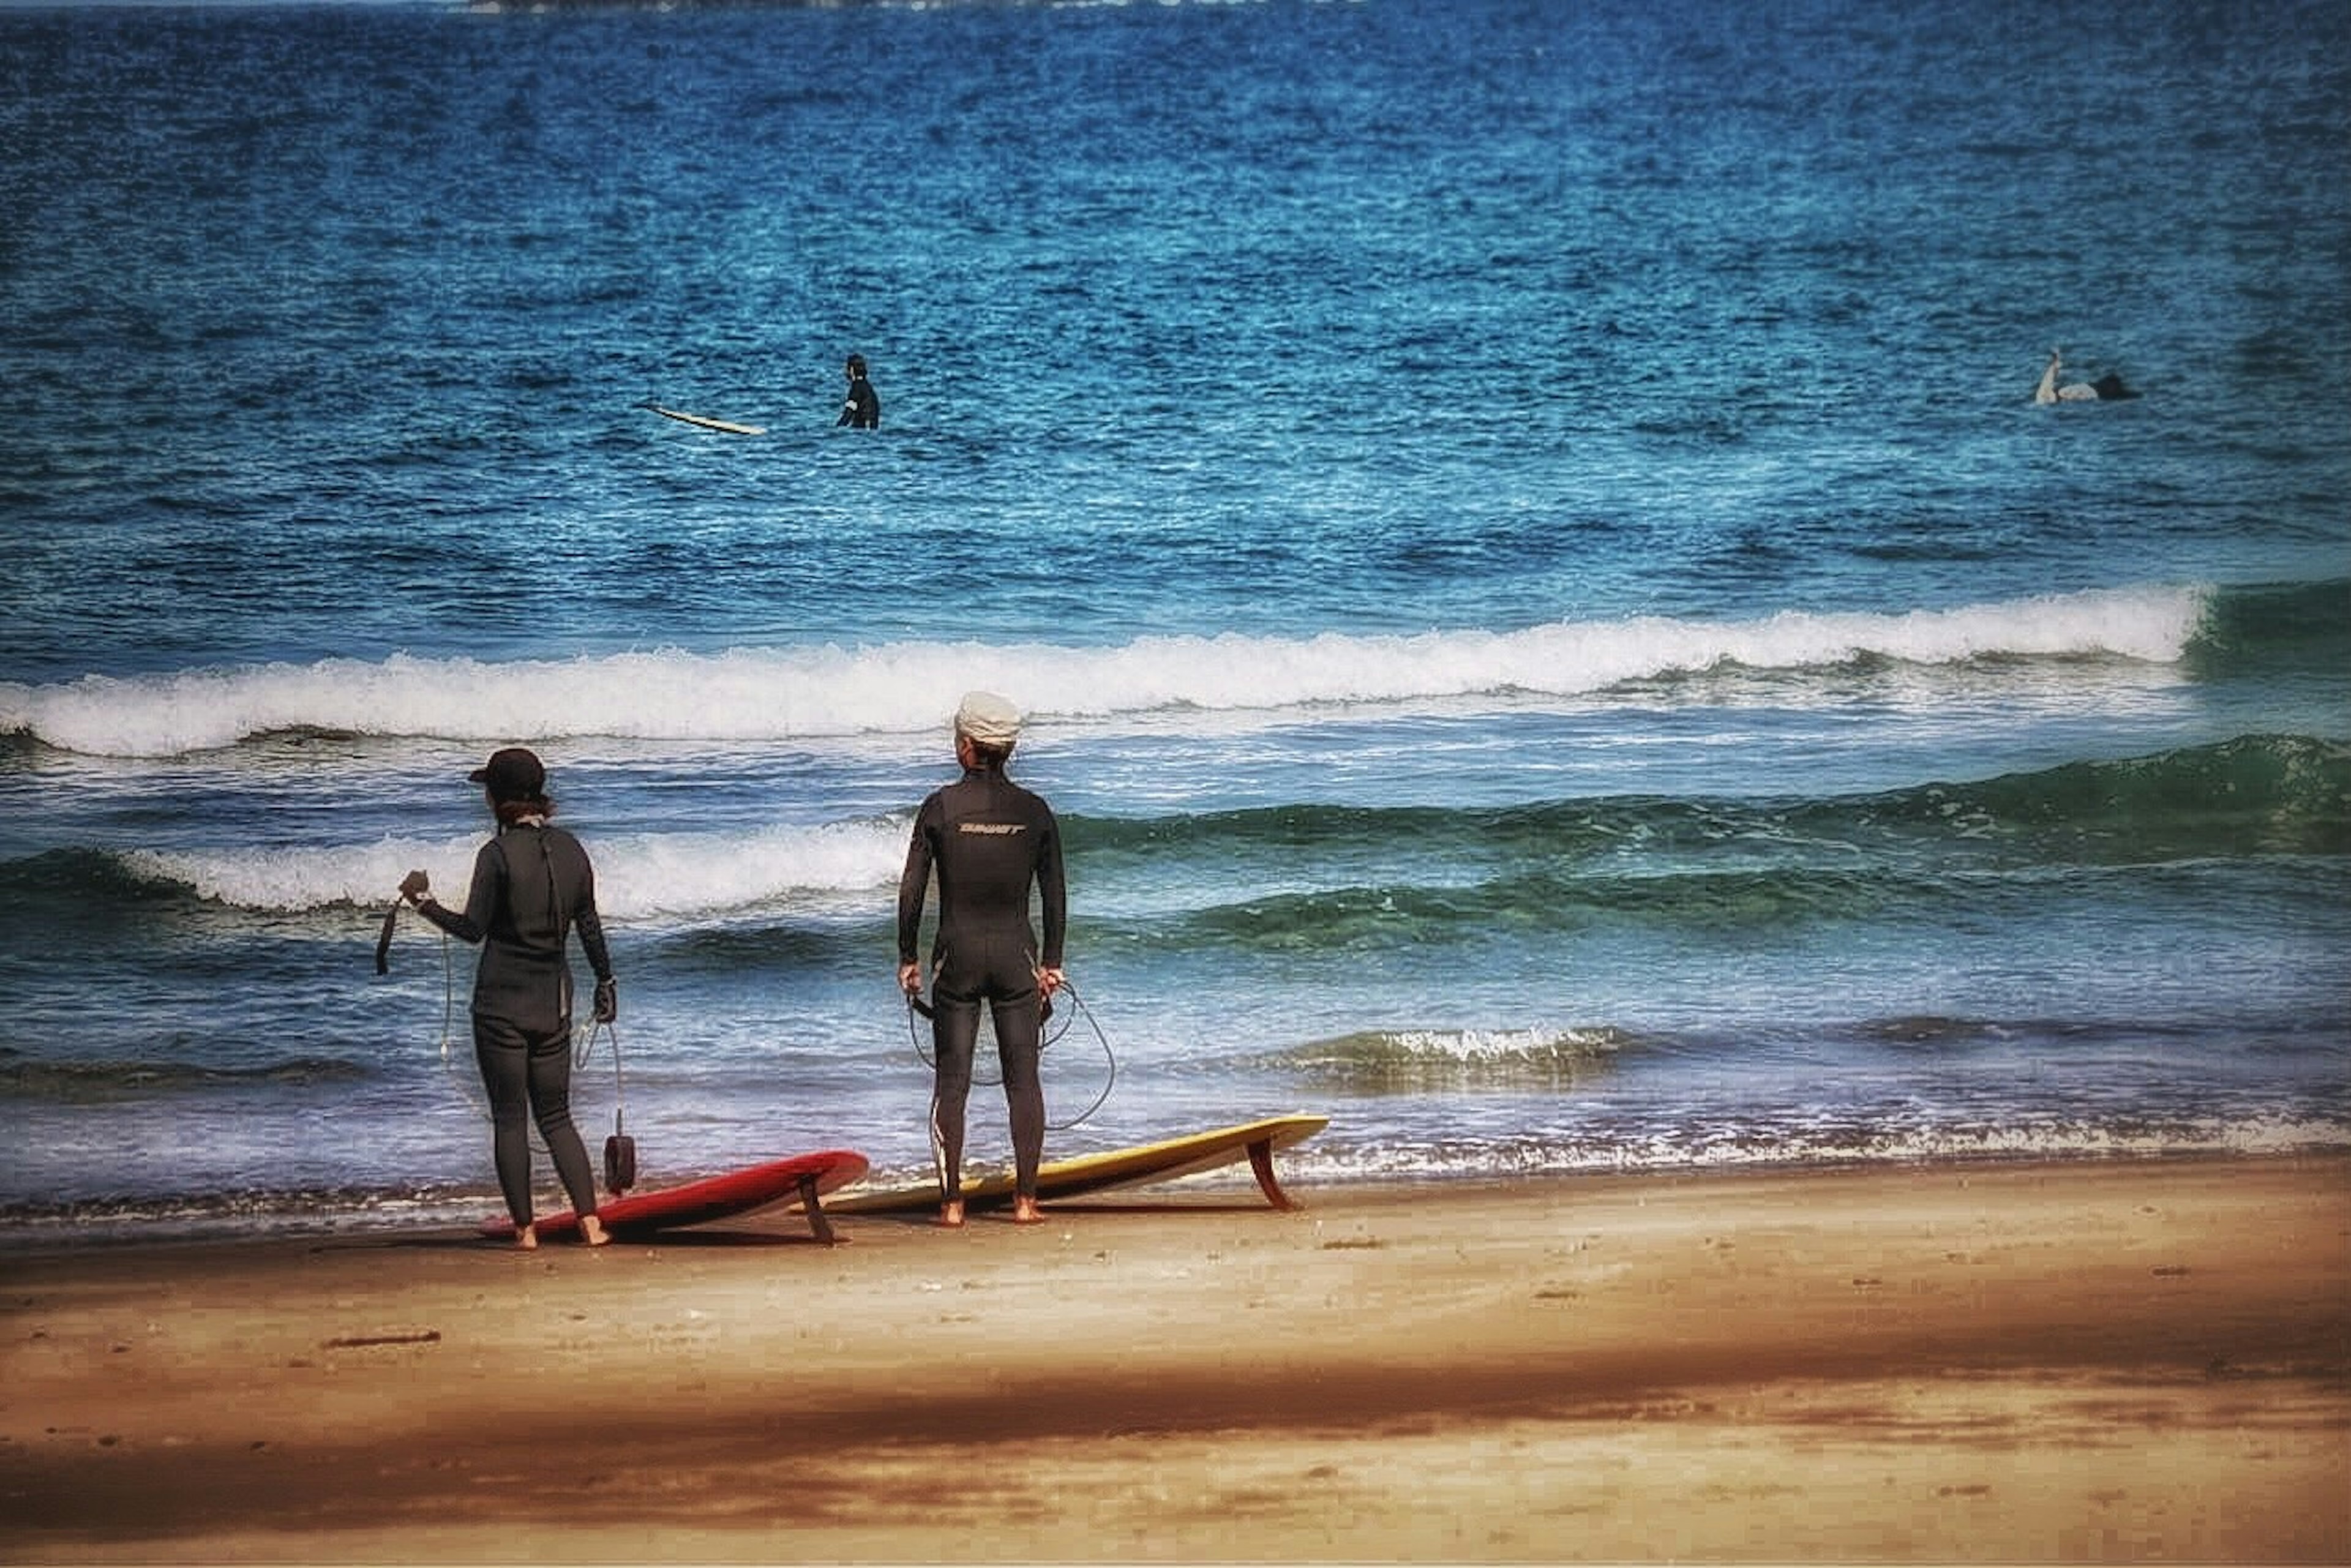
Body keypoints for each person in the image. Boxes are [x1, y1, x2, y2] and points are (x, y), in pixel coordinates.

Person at [400, 748, 619, 1250]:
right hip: (553, 1005)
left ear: (495, 797)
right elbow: (588, 925)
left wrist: (424, 903)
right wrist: (606, 983)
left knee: (510, 1119)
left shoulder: (495, 856)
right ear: (539, 795)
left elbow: (474, 929)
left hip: (500, 1006)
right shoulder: (572, 850)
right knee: (557, 1116)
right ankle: (591, 1224)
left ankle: (525, 1232)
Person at [896, 691, 1067, 1228]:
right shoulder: (1035, 810)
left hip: (958, 959)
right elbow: (1056, 894)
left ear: (966, 746)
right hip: (1018, 958)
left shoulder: (940, 806)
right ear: (1008, 748)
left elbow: (912, 889)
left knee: (952, 1083)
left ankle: (950, 1205)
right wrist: (1053, 962)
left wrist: (908, 957)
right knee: (1024, 1081)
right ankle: (1026, 1202)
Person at [2034, 348, 2137, 403]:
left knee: (2114, 385)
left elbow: (2047, 384)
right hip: (2096, 391)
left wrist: (2055, 364)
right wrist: (2055, 364)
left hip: (2094, 390)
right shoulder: (2049, 397)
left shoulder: (2049, 396)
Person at [838, 353, 881, 429]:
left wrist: (836, 429)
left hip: (862, 432)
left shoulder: (857, 388)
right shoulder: (868, 387)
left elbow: (848, 414)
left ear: (852, 370)